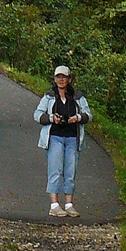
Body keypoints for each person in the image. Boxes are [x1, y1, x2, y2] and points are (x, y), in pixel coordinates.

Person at [34, 65, 93, 218]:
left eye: (64, 77)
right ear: (54, 79)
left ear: (69, 79)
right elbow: (37, 115)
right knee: (55, 169)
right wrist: (52, 118)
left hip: (73, 138)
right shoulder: (49, 96)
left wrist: (78, 118)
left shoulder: (78, 97)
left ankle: (69, 204)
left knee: (70, 171)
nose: (61, 79)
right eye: (58, 77)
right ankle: (54, 205)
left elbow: (88, 115)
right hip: (54, 137)